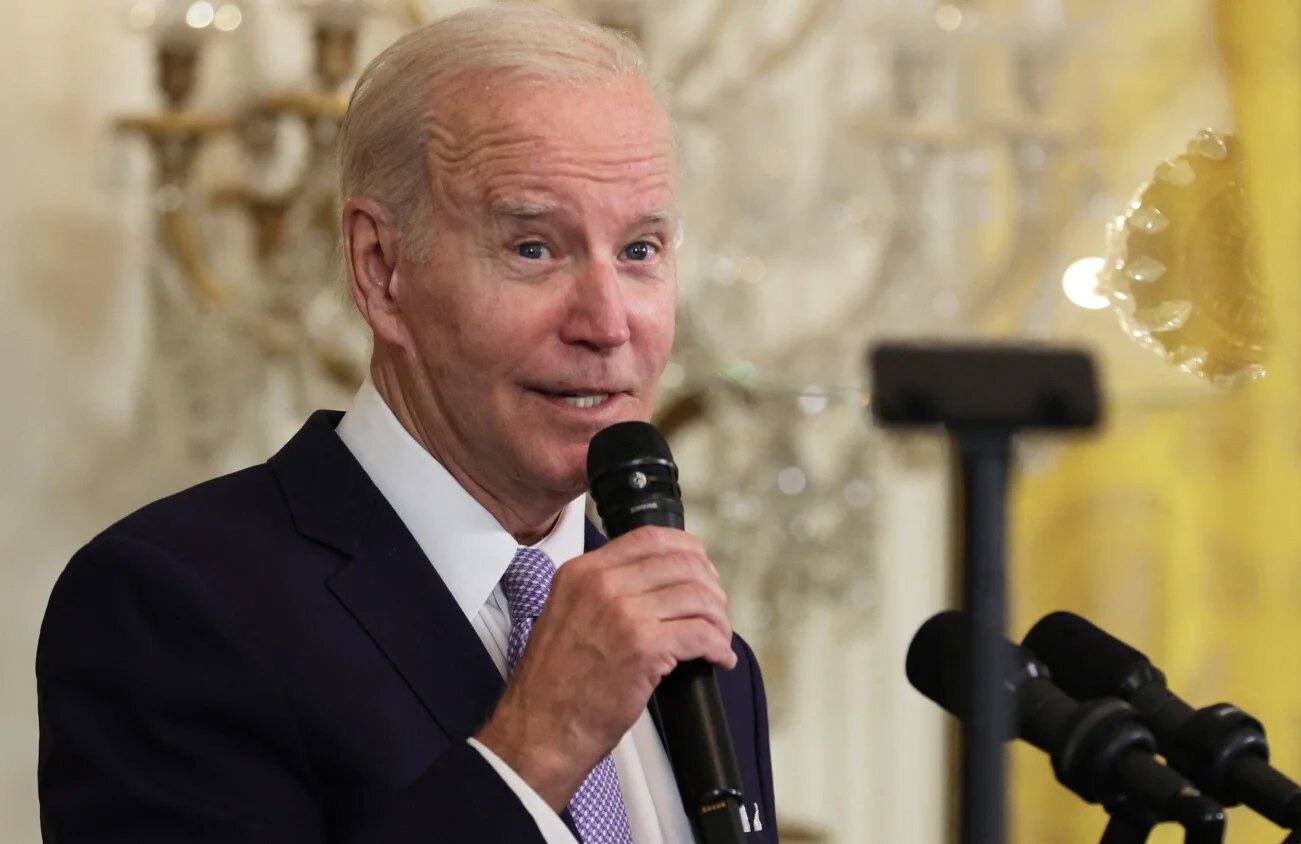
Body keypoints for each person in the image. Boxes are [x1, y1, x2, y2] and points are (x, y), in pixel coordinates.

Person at [35, 4, 778, 842]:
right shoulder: (172, 607)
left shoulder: (710, 661)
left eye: (640, 251)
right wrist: (535, 746)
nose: (608, 323)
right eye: (533, 248)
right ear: (380, 269)